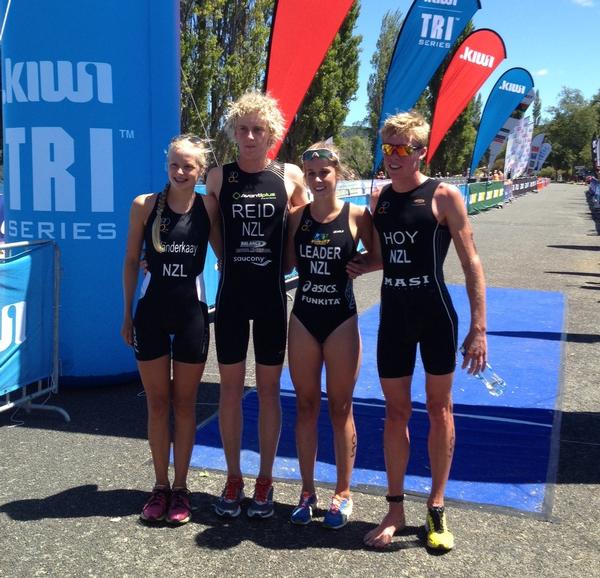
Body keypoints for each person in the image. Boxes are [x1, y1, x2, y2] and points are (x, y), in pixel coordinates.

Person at [348, 111, 487, 551]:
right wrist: (350, 266)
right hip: (394, 316)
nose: (393, 156)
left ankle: (437, 506)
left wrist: (479, 326)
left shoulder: (444, 196)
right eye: (387, 147)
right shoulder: (381, 200)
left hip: (435, 314)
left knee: (439, 408)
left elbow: (471, 263)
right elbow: (386, 257)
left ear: (421, 151)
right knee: (395, 413)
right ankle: (394, 507)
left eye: (402, 148)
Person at [206, 91, 308, 518]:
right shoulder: (217, 177)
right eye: (243, 129)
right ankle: (234, 477)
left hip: (270, 298)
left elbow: (303, 232)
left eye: (258, 129)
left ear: (271, 134)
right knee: (230, 391)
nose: (249, 136)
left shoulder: (289, 175)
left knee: (269, 392)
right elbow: (210, 232)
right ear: (233, 132)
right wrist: (228, 259)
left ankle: (264, 478)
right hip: (230, 296)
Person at [121, 134, 221, 524]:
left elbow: (226, 254)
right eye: (175, 164)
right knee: (157, 404)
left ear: (200, 171)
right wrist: (126, 314)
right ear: (167, 165)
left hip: (192, 315)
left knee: (184, 405)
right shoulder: (144, 206)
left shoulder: (208, 206)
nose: (181, 172)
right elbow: (131, 260)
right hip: (150, 314)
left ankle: (182, 488)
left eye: (189, 167)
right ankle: (159, 486)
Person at [285, 142, 373, 529]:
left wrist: (361, 267)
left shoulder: (356, 215)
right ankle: (307, 492)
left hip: (341, 319)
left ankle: (343, 492)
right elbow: (283, 261)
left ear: (338, 173)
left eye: (325, 172)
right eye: (311, 174)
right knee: (305, 405)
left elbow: (383, 255)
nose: (318, 179)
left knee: (340, 408)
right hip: (304, 317)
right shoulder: (296, 217)